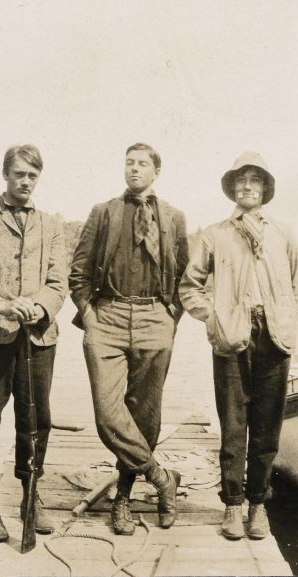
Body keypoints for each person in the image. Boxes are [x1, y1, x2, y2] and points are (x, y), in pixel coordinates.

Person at [179, 151, 298, 540]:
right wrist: (214, 316)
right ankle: (233, 507)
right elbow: (190, 286)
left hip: (274, 337)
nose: (247, 186)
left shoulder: (283, 233)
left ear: (265, 188)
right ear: (232, 189)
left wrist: (281, 316)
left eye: (254, 180)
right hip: (232, 338)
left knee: (267, 428)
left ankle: (258, 506)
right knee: (234, 425)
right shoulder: (215, 235)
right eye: (241, 180)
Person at [69, 142, 189, 535]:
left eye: (142, 164)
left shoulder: (173, 217)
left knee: (146, 414)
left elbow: (187, 278)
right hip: (109, 316)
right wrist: (90, 315)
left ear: (157, 171)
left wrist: (171, 316)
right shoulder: (104, 212)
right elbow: (79, 271)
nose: (134, 169)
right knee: (108, 413)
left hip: (156, 317)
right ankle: (160, 477)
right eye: (129, 163)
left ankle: (122, 497)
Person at [0, 144, 67, 542]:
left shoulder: (52, 225)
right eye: (19, 173)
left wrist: (39, 307)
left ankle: (30, 495)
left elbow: (59, 283)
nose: (25, 181)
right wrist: (1, 305)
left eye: (32, 175)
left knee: (36, 422)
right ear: (6, 174)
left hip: (38, 339)